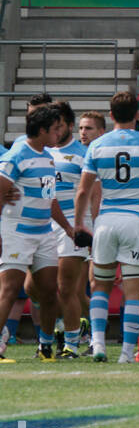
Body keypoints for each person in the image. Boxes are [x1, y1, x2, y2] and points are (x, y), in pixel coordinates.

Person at [73, 91, 139, 363]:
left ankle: (99, 343)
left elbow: (83, 191)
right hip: (136, 222)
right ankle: (127, 353)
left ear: (111, 115)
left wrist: (79, 223)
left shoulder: (97, 146)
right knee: (133, 291)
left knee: (100, 286)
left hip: (105, 221)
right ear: (137, 116)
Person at [0, 106, 77, 364]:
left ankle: (45, 346)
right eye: (55, 129)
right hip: (17, 231)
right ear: (43, 130)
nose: (59, 133)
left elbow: (49, 198)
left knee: (47, 291)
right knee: (9, 289)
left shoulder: (48, 158)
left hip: (44, 232)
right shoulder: (18, 155)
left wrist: (67, 227)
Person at [51, 105, 101, 358]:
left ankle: (73, 342)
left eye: (59, 125)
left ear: (67, 126)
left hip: (74, 226)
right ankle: (84, 326)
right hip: (47, 225)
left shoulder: (83, 155)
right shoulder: (44, 152)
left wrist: (91, 229)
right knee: (36, 287)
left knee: (67, 287)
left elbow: (94, 195)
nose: (55, 129)